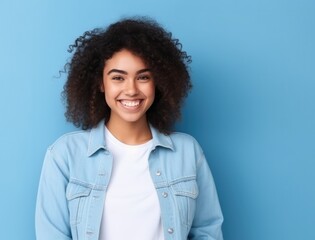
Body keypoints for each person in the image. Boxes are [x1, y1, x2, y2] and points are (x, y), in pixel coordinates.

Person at [35, 17, 223, 240]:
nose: (131, 90)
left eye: (143, 77)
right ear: (101, 83)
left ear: (158, 82)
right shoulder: (65, 154)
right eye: (118, 77)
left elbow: (207, 230)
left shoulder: (187, 152)